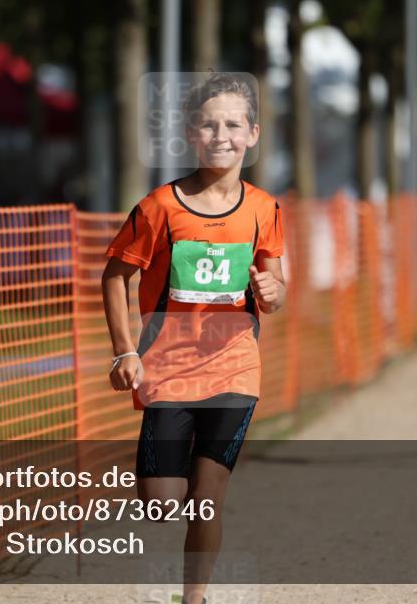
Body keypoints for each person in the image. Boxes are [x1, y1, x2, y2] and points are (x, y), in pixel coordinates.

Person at [101, 73, 286, 604]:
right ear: (190, 134)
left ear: (253, 134)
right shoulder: (160, 207)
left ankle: (193, 599)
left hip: (235, 367)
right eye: (208, 125)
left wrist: (273, 290)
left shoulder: (264, 208)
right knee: (161, 502)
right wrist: (124, 351)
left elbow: (275, 288)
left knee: (207, 497)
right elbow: (114, 275)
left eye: (233, 125)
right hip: (167, 370)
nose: (221, 136)